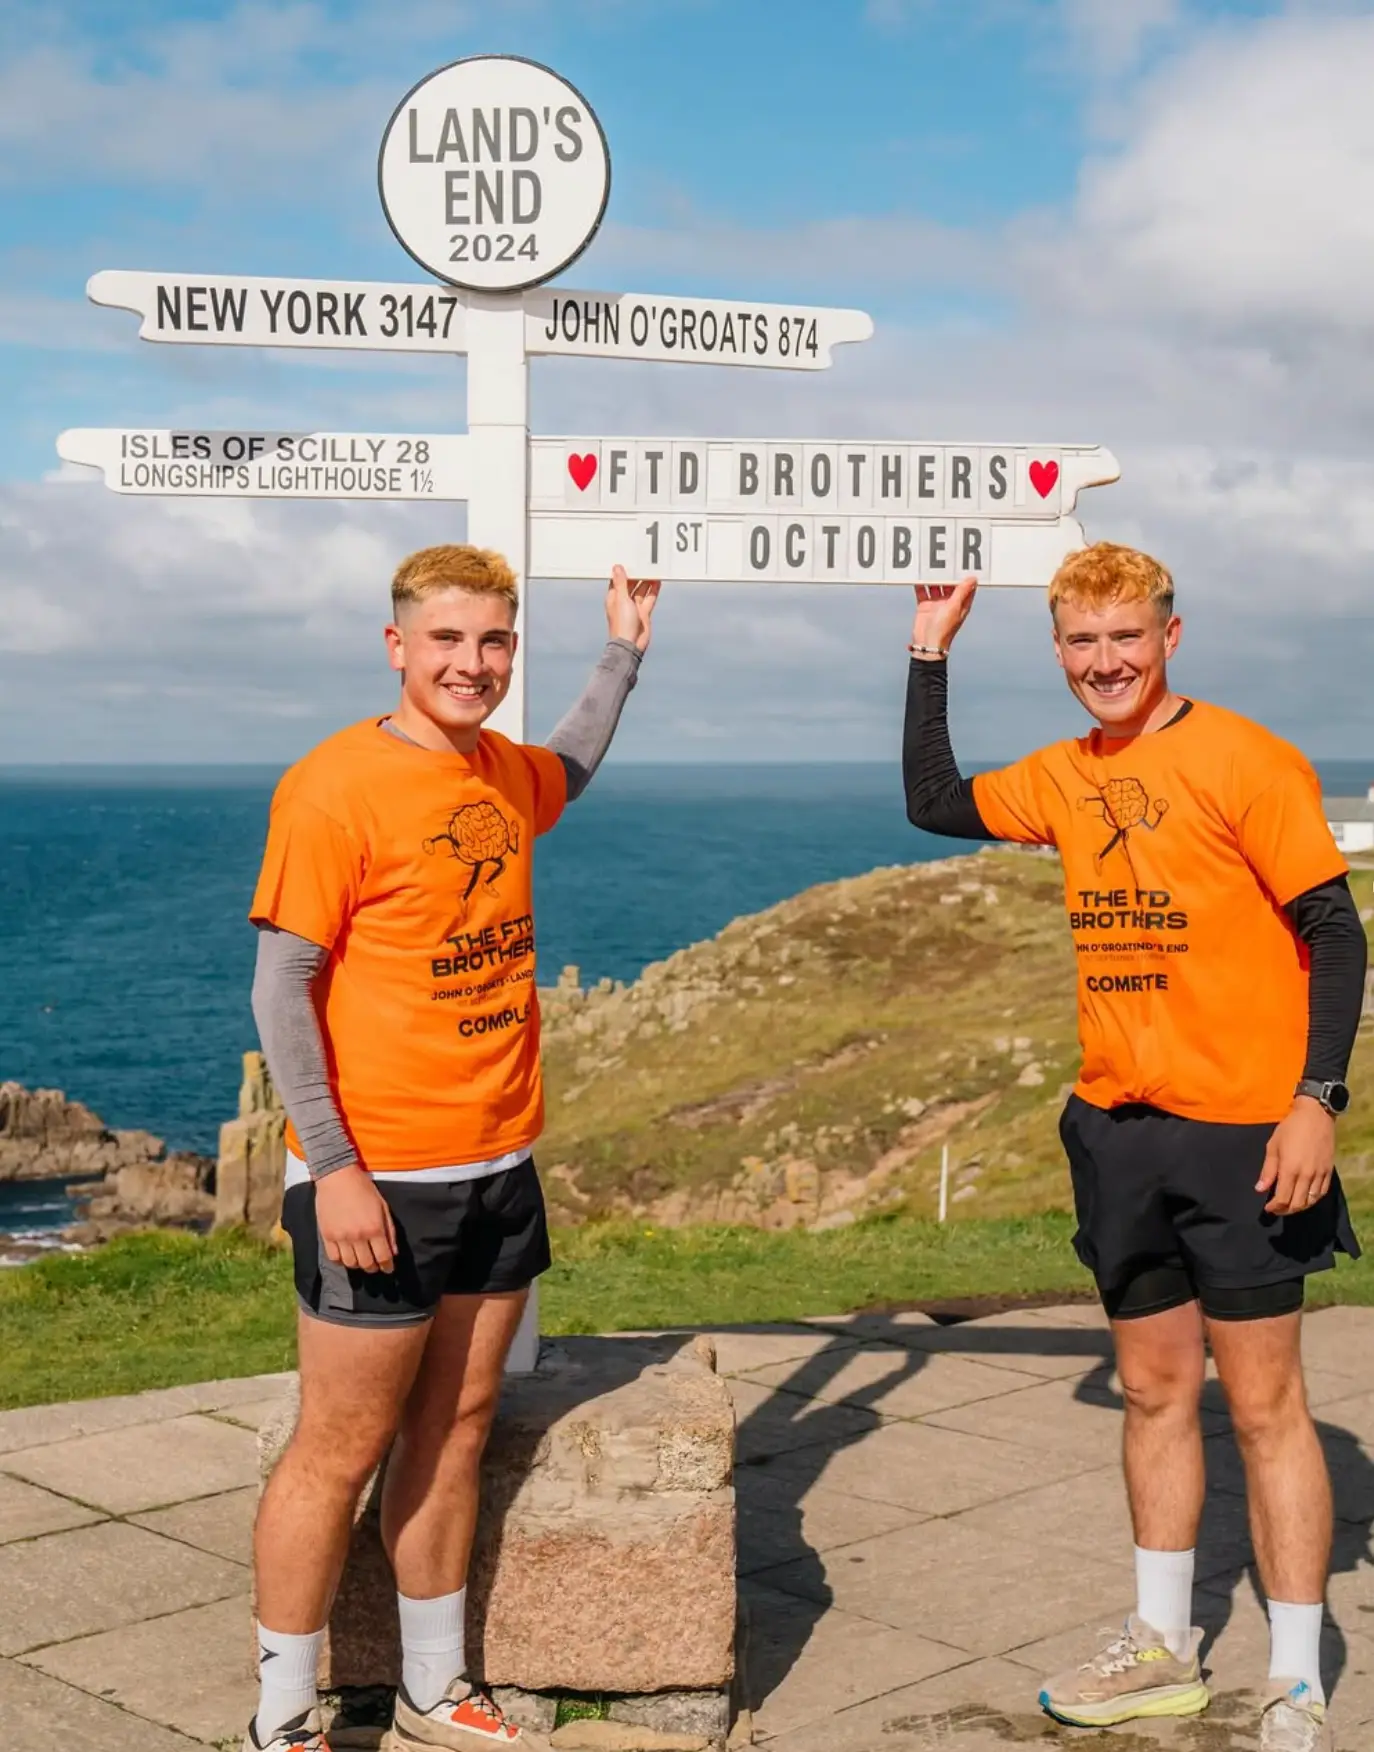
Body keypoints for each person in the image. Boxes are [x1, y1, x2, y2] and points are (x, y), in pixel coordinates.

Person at [903, 543, 1365, 1752]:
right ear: (1058, 652)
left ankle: (1298, 1671)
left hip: (1246, 1137)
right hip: (1118, 1129)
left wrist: (1318, 1100)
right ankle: (1161, 1644)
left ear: (1172, 635)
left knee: (1266, 1407)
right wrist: (929, 649)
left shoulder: (1249, 761)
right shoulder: (1061, 776)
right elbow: (933, 799)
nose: (1106, 662)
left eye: (1127, 636)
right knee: (1155, 1391)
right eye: (1081, 642)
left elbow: (1336, 931)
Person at [243, 546, 661, 1752]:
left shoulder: (498, 775)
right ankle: (284, 1711)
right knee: (339, 1449)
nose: (471, 665)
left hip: (496, 1163)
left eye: (492, 644)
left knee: (460, 1422)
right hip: (376, 1175)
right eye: (447, 642)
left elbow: (570, 761)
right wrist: (335, 1167)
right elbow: (282, 988)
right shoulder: (334, 788)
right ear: (397, 647)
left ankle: (434, 1688)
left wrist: (624, 651)